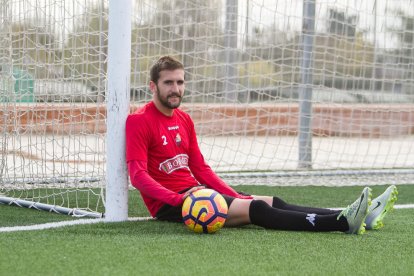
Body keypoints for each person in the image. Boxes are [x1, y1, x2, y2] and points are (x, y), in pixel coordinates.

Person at [126, 56, 398, 234]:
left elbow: (201, 168)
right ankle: (339, 223)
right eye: (168, 83)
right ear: (153, 86)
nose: (176, 89)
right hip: (174, 204)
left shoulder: (184, 119)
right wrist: (181, 199)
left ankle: (355, 215)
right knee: (257, 210)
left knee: (269, 200)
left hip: (197, 191)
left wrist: (233, 193)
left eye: (180, 82)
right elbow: (138, 177)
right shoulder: (139, 122)